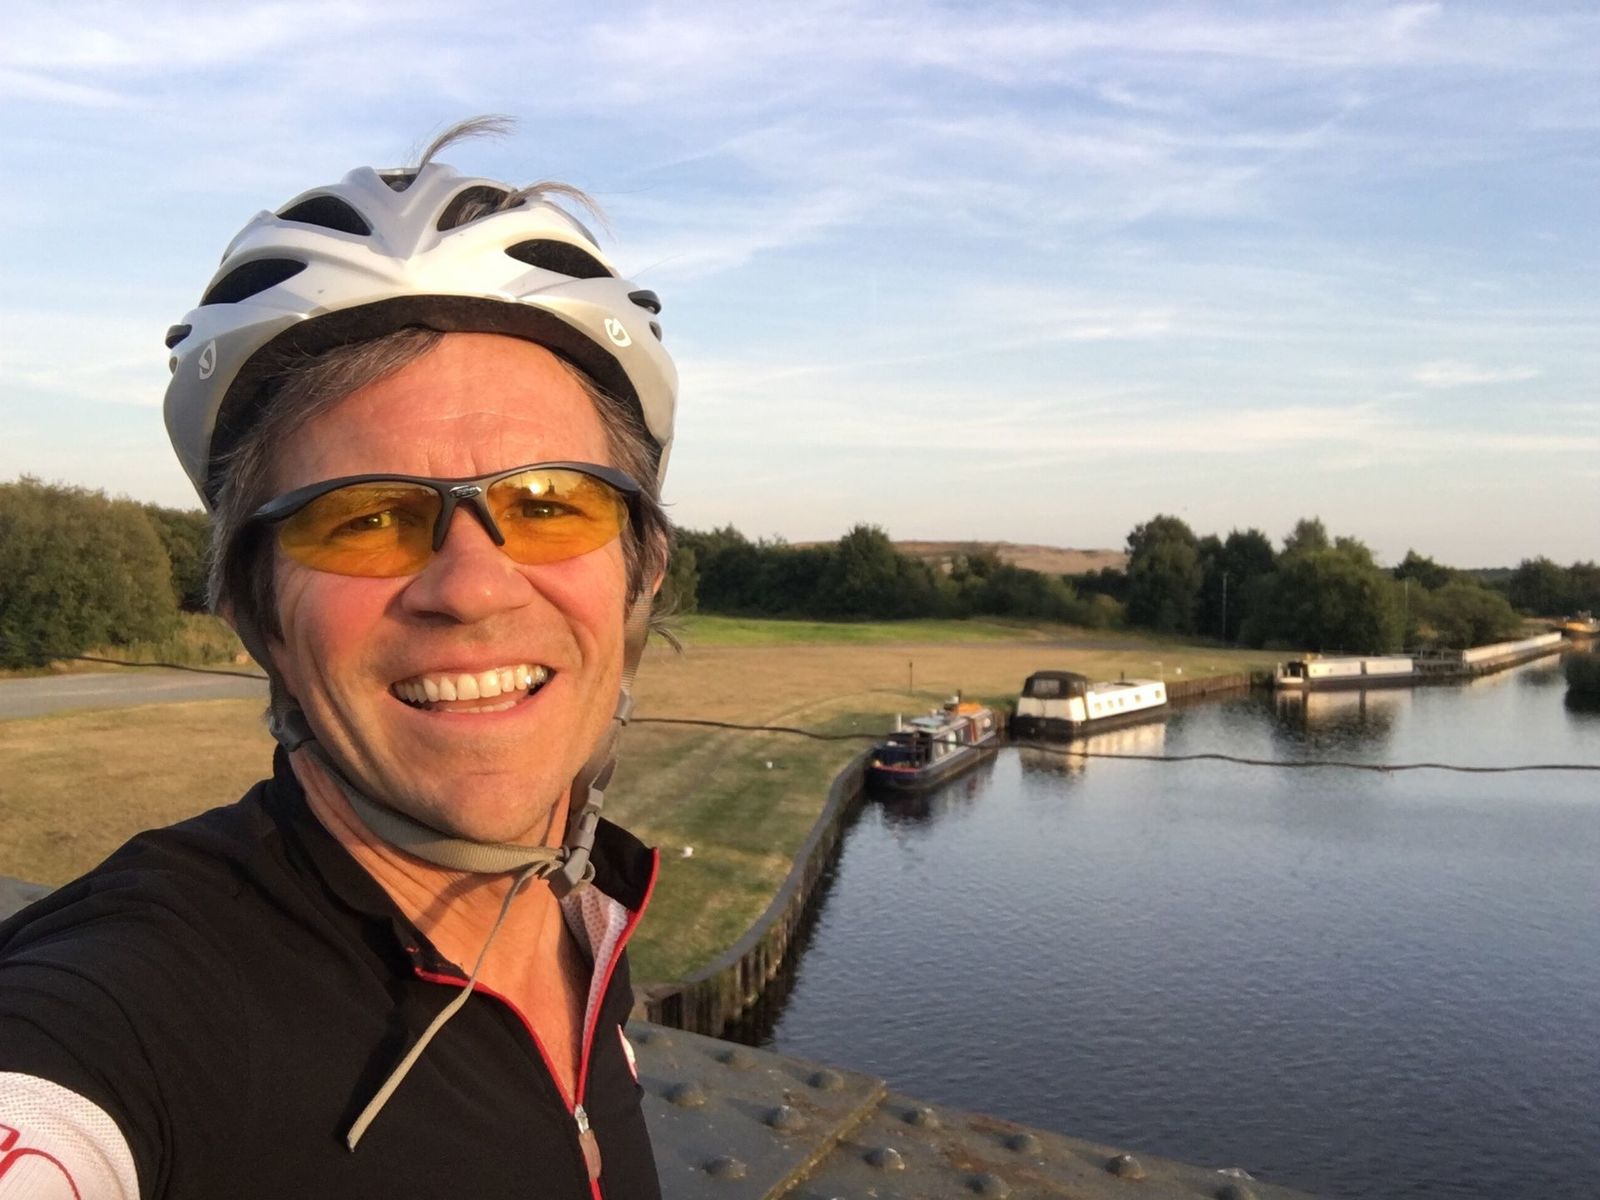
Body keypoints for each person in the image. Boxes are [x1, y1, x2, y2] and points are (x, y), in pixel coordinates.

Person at [0, 120, 677, 1198]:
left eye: (551, 504)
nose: (472, 587)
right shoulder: (141, 999)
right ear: (255, 613)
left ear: (640, 572)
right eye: (363, 519)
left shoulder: (581, 919)